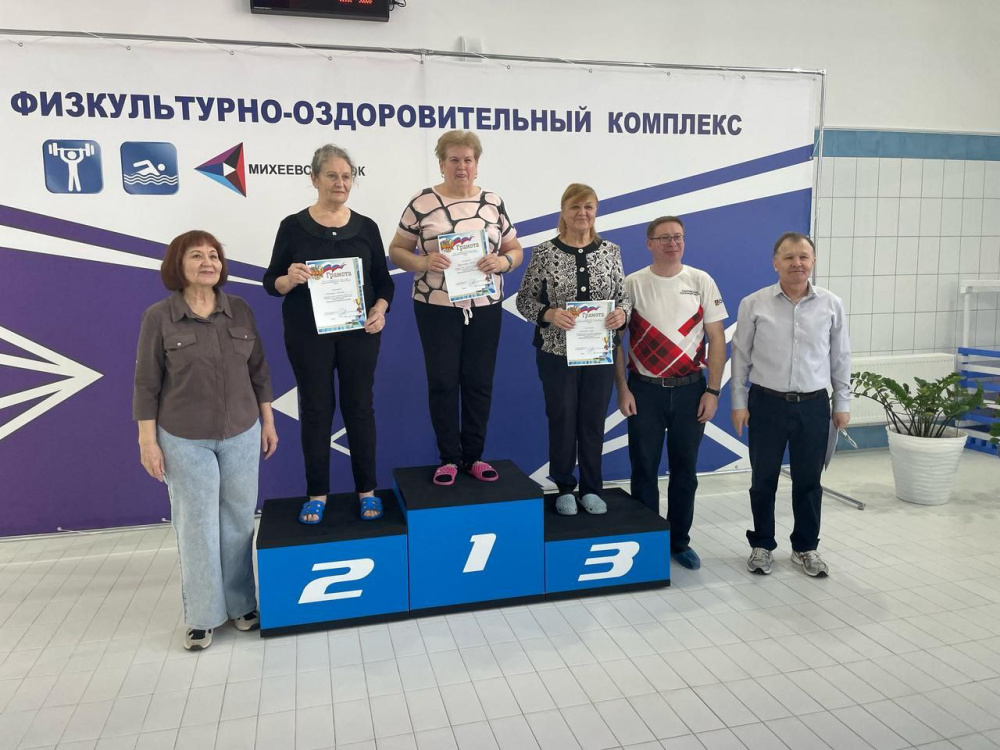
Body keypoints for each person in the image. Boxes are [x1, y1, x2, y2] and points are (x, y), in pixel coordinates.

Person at [133, 230, 278, 651]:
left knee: (238, 522)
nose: (208, 262)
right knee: (197, 526)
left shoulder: (240, 309)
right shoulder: (158, 317)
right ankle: (202, 616)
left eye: (214, 255)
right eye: (196, 255)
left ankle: (242, 606)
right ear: (177, 265)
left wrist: (268, 422)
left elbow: (259, 370)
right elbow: (146, 383)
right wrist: (147, 442)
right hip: (184, 437)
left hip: (242, 432)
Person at [263, 144, 394, 523]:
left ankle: (367, 492)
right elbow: (271, 282)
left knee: (359, 408)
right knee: (316, 410)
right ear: (314, 178)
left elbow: (384, 283)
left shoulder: (366, 227)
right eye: (332, 175)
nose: (340, 183)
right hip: (308, 336)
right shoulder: (292, 226)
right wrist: (289, 278)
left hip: (360, 334)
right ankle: (317, 494)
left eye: (346, 176)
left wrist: (380, 310)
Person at [387, 130, 523, 486]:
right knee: (443, 382)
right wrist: (421, 262)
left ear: (477, 164)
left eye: (468, 160)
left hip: (485, 307)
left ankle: (474, 456)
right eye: (454, 160)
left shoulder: (493, 202)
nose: (461, 166)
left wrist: (503, 263)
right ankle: (448, 458)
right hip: (436, 308)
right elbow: (396, 250)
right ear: (441, 164)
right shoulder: (422, 202)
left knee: (478, 382)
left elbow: (515, 250)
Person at [730, 232, 850, 578]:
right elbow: (741, 356)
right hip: (766, 403)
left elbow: (841, 356)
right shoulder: (754, 303)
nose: (797, 263)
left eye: (803, 257)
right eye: (789, 257)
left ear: (813, 262)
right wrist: (738, 402)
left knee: (809, 481)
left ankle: (805, 547)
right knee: (763, 479)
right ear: (775, 263)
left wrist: (842, 402)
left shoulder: (831, 304)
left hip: (814, 405)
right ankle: (762, 545)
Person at [615, 216, 727, 570]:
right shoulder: (632, 284)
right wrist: (622, 388)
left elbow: (717, 339)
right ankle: (647, 542)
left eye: (678, 237)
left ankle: (679, 541)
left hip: (691, 390)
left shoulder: (701, 280)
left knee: (685, 473)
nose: (672, 243)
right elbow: (616, 342)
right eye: (663, 238)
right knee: (643, 470)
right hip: (644, 391)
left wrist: (713, 391)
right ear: (649, 243)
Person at [517, 184, 632, 514]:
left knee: (593, 420)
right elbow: (524, 300)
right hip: (556, 353)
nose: (582, 213)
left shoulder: (611, 251)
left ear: (596, 211)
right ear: (563, 212)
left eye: (588, 206)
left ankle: (592, 488)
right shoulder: (544, 252)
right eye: (575, 207)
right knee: (563, 418)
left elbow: (624, 297)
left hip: (599, 352)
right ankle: (565, 486)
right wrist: (550, 314)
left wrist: (622, 314)